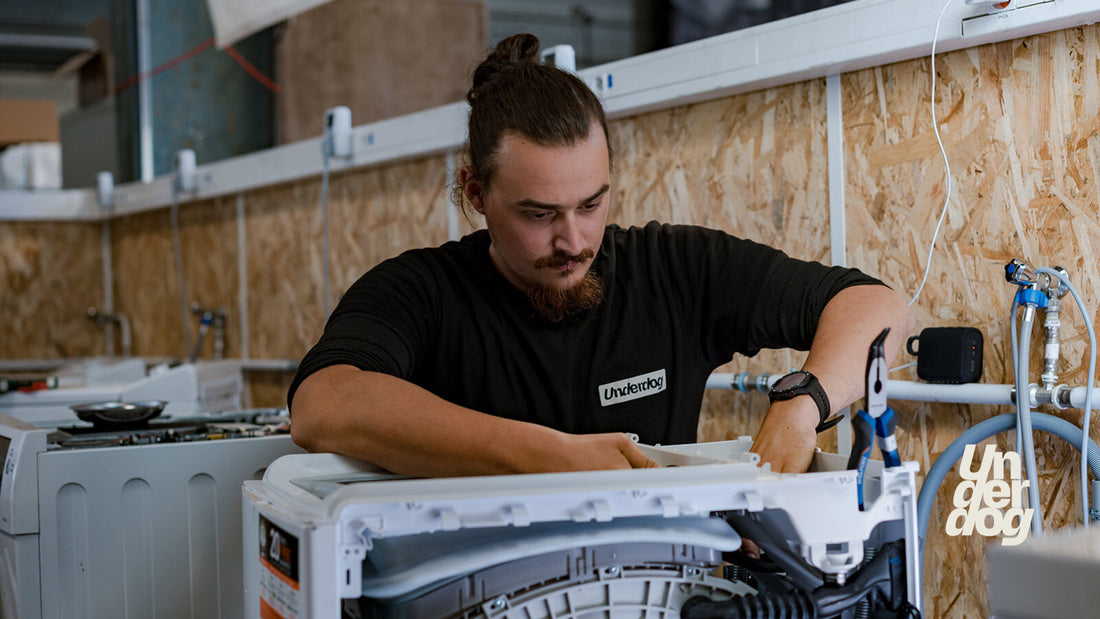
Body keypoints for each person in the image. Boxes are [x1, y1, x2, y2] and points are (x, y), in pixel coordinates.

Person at [288, 33, 914, 477]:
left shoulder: (674, 271)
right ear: (476, 193)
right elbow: (324, 404)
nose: (574, 242)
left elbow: (878, 308)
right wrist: (551, 456)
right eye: (539, 215)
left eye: (591, 204)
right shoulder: (419, 291)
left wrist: (803, 405)